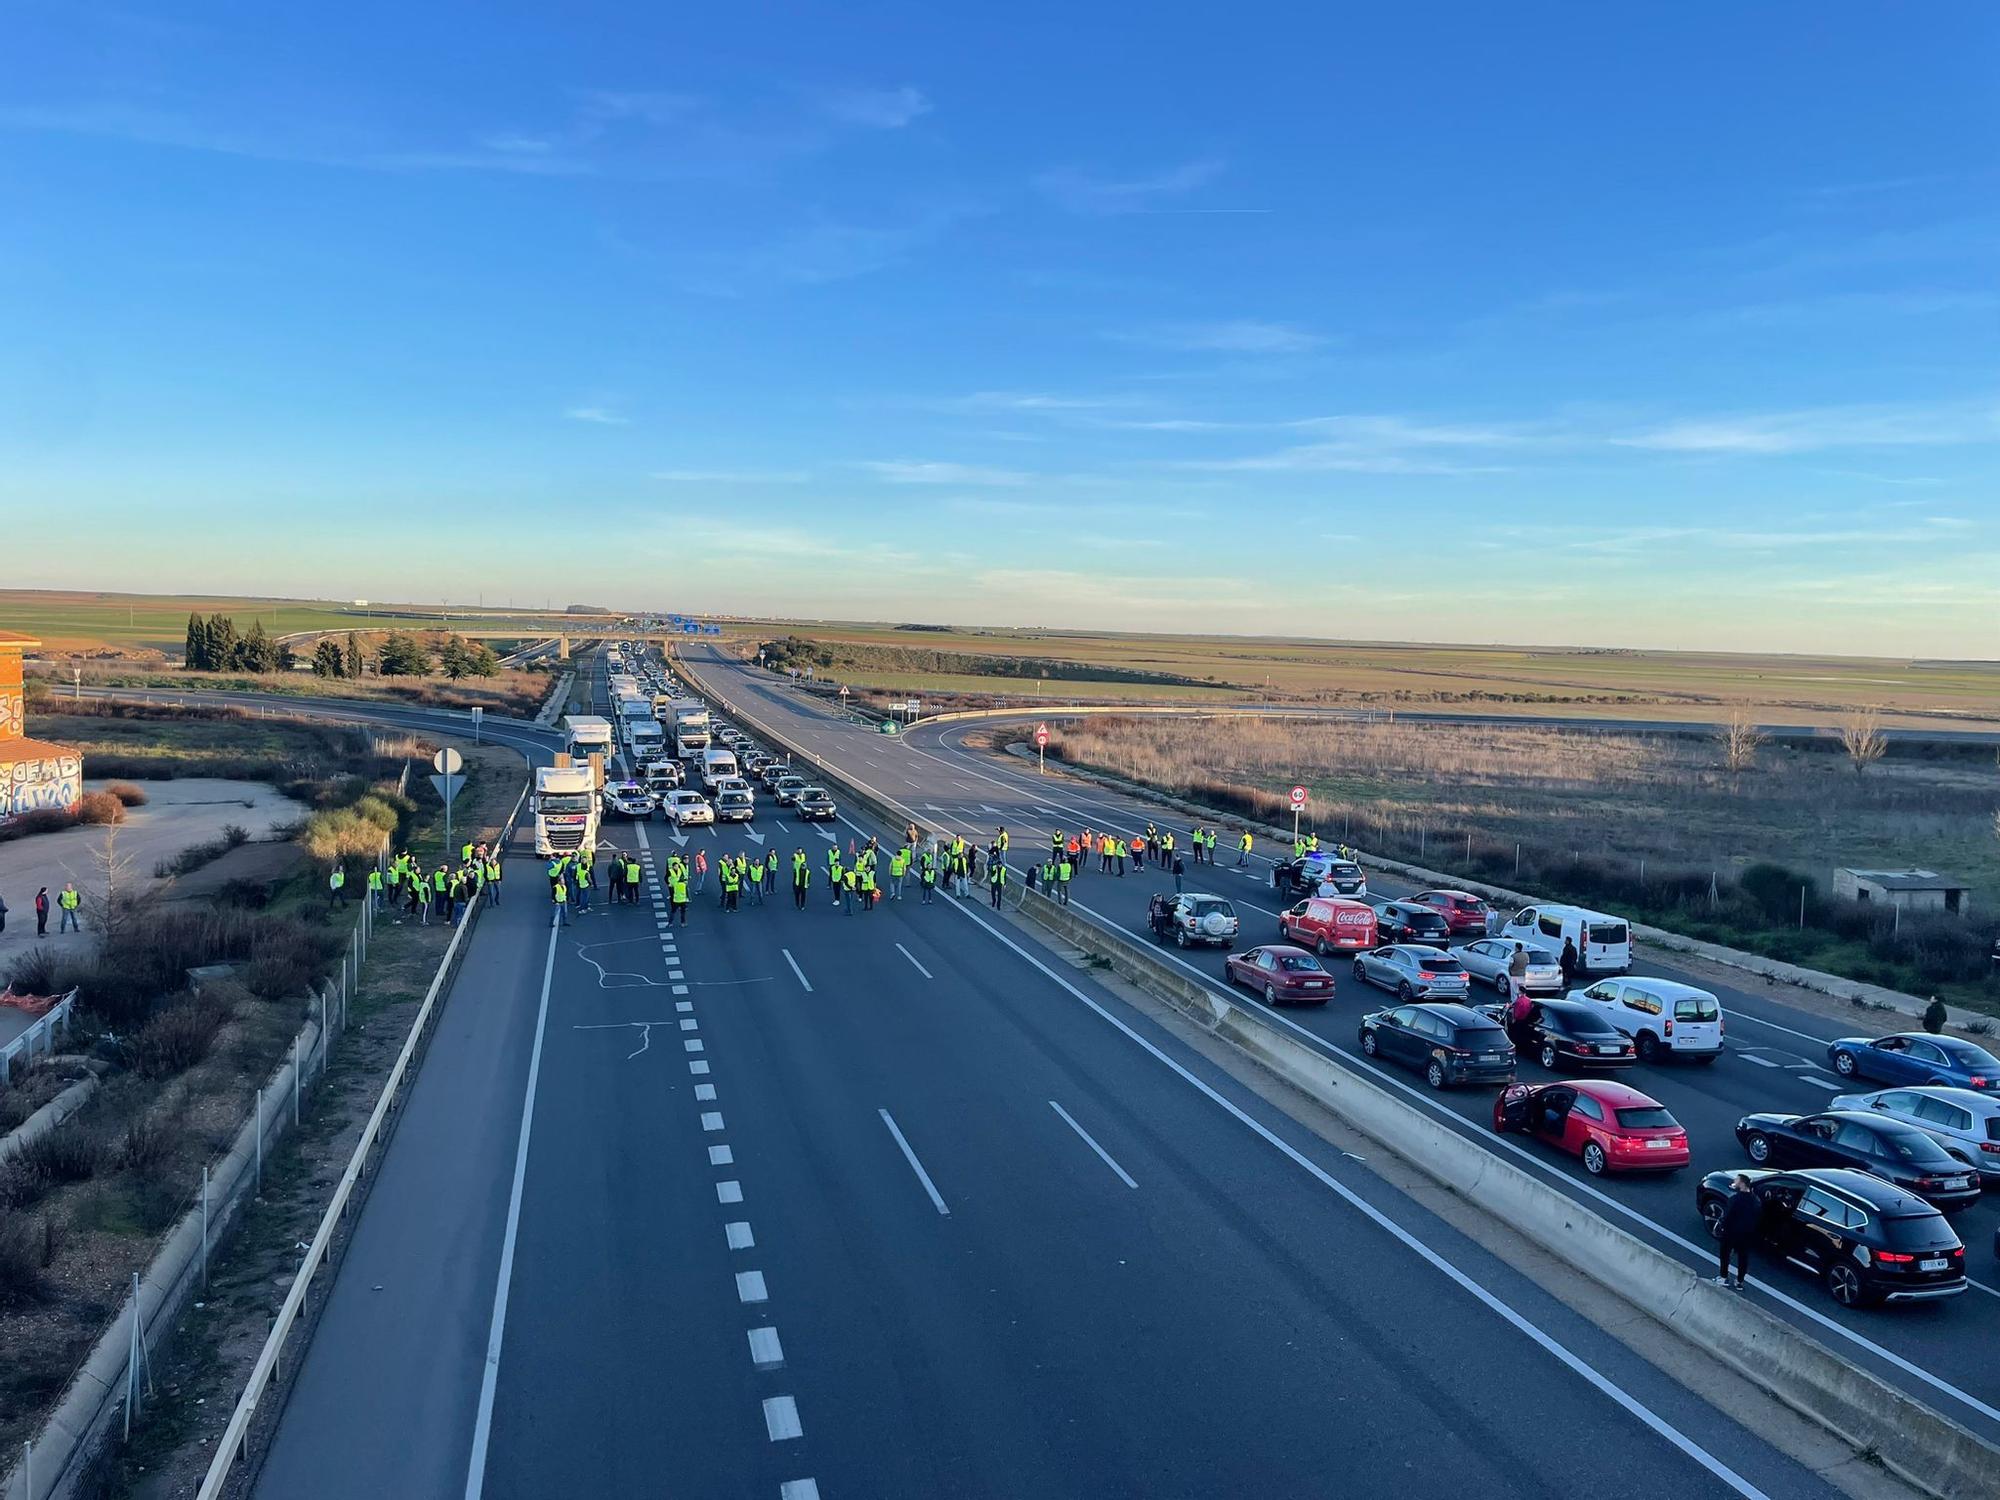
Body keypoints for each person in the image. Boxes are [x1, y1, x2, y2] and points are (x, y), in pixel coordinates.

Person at [1716, 1174, 1759, 1289]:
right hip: (1746, 1235)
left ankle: (1724, 1277)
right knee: (1743, 1258)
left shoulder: (1734, 1199)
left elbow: (1728, 1216)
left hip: (1731, 1233)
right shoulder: (1755, 1201)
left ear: (1742, 1183)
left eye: (1737, 1180)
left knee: (1725, 1254)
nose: (1735, 1181)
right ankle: (1739, 1281)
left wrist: (1723, 1227)